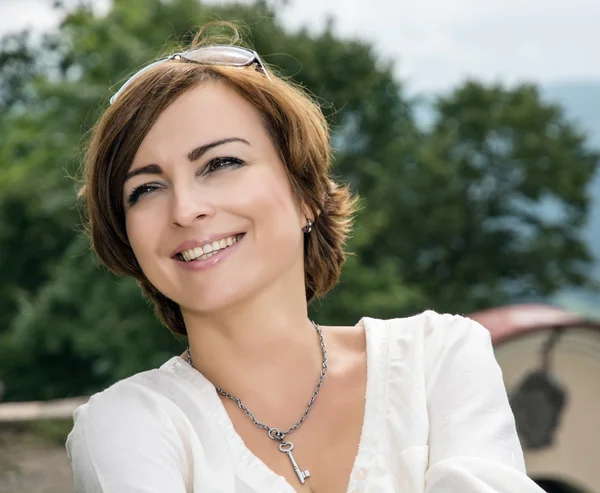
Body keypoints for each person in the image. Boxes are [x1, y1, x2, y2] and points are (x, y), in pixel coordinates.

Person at [66, 26, 546, 493]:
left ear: (305, 193)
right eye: (146, 188)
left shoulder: (436, 359)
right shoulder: (128, 425)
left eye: (221, 163)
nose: (186, 209)